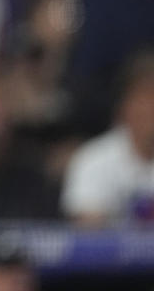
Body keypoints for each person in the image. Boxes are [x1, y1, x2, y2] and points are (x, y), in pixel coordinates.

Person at [61, 51, 154, 225]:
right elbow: (88, 235)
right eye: (144, 99)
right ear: (125, 105)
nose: (150, 110)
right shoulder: (94, 159)